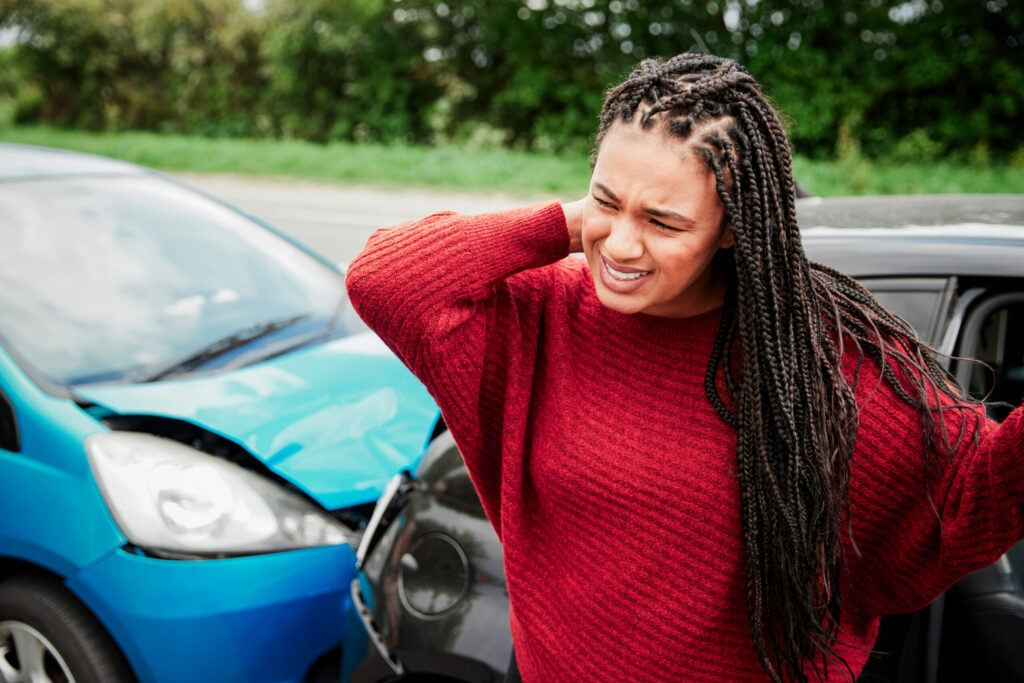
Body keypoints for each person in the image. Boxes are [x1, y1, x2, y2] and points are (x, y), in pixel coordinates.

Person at [345, 54, 1024, 682]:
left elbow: (974, 497)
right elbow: (386, 279)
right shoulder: (543, 311)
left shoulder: (820, 359)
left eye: (663, 221)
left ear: (732, 226)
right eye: (606, 201)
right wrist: (575, 221)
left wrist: (620, 203)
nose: (623, 245)